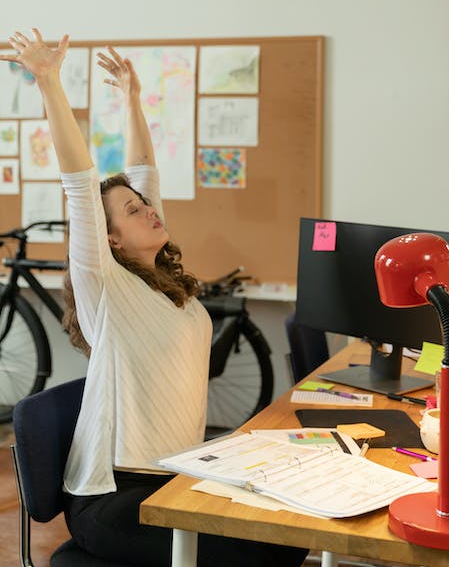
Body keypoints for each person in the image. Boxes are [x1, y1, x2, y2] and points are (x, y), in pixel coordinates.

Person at [1, 30, 308, 567]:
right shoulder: (106, 289)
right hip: (111, 499)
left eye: (146, 203)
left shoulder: (166, 285)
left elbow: (143, 172)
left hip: (172, 476)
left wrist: (133, 100)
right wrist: (48, 81)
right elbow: (80, 185)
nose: (148, 208)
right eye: (132, 210)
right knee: (271, 548)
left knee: (291, 530)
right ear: (109, 236)